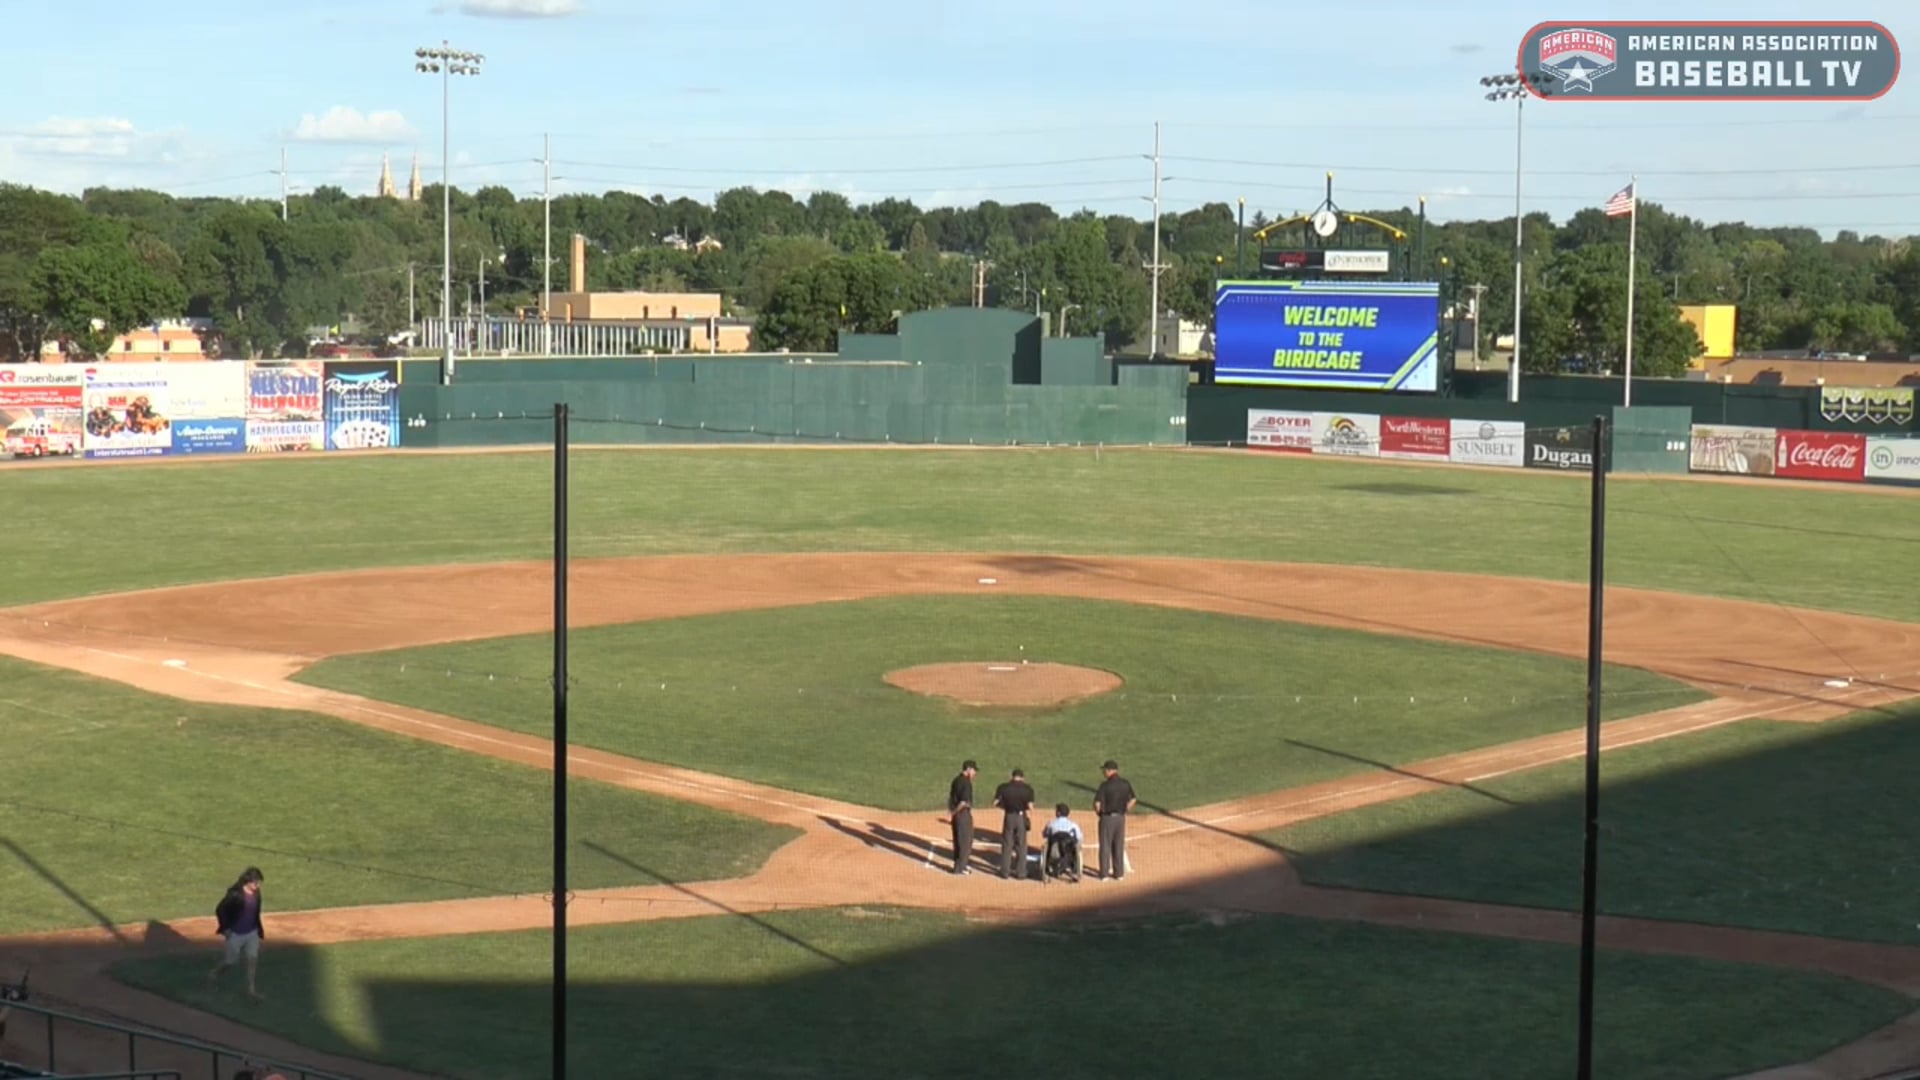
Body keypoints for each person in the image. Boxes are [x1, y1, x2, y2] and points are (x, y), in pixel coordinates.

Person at [208, 866, 266, 1001]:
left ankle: (250, 990)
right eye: (256, 882)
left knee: (252, 959)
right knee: (231, 961)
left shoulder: (257, 893)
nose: (258, 885)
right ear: (248, 881)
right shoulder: (235, 894)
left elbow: (256, 912)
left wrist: (258, 930)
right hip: (236, 934)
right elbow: (220, 910)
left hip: (252, 932)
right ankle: (214, 974)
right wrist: (225, 928)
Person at [1093, 760, 1137, 881]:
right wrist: (1125, 810)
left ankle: (1104, 874)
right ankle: (1119, 874)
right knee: (1118, 845)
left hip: (1107, 818)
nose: (1103, 772)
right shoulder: (1125, 783)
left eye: (1104, 770)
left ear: (1109, 770)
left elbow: (1097, 803)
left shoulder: (1105, 785)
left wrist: (1100, 814)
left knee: (1105, 846)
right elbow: (1133, 799)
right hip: (1120, 819)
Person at [992, 768, 1036, 880]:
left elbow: (995, 803)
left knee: (1007, 844)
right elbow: (1031, 807)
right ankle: (1021, 873)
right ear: (1022, 777)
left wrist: (1005, 806)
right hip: (1021, 817)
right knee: (1021, 844)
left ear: (1012, 776)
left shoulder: (1003, 787)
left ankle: (1005, 872)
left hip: (1008, 817)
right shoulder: (1027, 789)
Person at [946, 759, 978, 875]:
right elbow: (964, 802)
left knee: (958, 841)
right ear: (968, 769)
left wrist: (951, 812)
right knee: (965, 841)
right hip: (963, 815)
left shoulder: (956, 780)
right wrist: (955, 812)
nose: (975, 773)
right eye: (974, 770)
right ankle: (961, 867)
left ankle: (958, 865)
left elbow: (951, 797)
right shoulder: (966, 783)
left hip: (956, 815)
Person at [1041, 803, 1083, 883]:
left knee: (1047, 844)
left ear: (1058, 813)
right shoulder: (1073, 825)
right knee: (1076, 845)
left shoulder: (1051, 824)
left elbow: (1044, 835)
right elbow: (1079, 837)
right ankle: (1075, 871)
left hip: (1054, 852)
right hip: (1069, 853)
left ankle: (1046, 872)